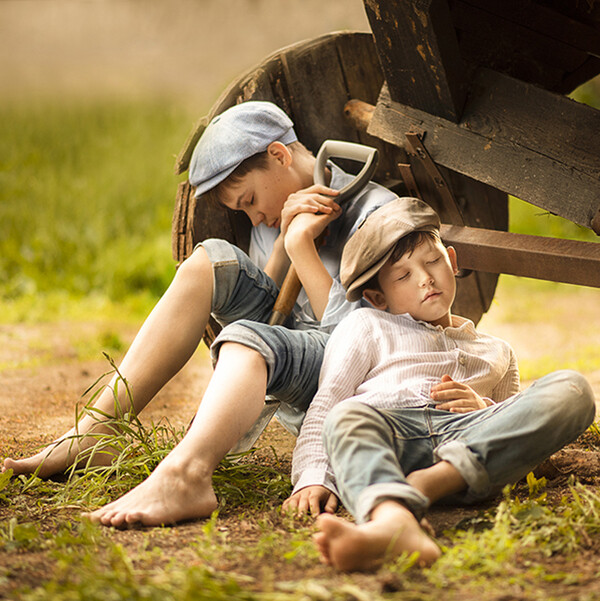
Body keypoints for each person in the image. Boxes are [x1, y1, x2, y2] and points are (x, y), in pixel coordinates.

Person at [2, 101, 397, 527]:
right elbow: (269, 308)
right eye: (243, 211)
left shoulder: (373, 212)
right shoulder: (275, 218)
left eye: (250, 200)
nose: (255, 216)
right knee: (208, 261)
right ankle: (98, 429)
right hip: (289, 345)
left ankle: (188, 476)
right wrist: (285, 241)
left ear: (279, 156)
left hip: (345, 371)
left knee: (251, 335)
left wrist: (303, 246)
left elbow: (354, 344)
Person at [282, 197, 596, 571]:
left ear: (452, 259)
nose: (425, 278)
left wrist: (485, 410)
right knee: (346, 417)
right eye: (403, 276)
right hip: (392, 436)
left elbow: (514, 426)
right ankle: (392, 522)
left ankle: (425, 487)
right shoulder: (366, 326)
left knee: (572, 388)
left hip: (466, 443)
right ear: (377, 297)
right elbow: (327, 401)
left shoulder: (497, 351)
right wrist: (313, 477)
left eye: (432, 261)